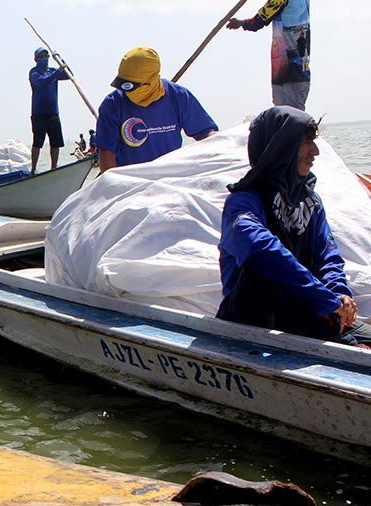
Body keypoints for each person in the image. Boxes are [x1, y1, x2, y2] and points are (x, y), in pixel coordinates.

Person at [216, 106, 369, 348]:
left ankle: (340, 338)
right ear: (281, 149)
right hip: (252, 319)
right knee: (262, 266)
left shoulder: (311, 202)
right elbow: (261, 250)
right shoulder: (243, 202)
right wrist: (324, 300)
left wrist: (339, 296)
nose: (315, 152)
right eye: (305, 143)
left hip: (304, 311)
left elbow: (327, 257)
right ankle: (341, 345)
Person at [96, 47, 218, 172]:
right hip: (131, 181)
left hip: (171, 176)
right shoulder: (112, 104)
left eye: (134, 86)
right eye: (125, 85)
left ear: (153, 79)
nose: (128, 92)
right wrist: (114, 184)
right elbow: (106, 152)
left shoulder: (178, 96)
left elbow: (206, 134)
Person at [226, 0, 310, 110]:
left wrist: (241, 23)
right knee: (295, 115)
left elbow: (259, 20)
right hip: (301, 73)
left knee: (287, 117)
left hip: (288, 75)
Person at [29, 48, 71, 172]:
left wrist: (60, 60)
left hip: (53, 112)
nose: (44, 59)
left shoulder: (53, 71)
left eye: (46, 56)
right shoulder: (34, 72)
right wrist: (58, 72)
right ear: (36, 59)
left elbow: (69, 75)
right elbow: (42, 82)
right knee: (37, 142)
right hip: (39, 113)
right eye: (41, 57)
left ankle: (54, 168)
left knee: (55, 143)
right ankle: (34, 168)